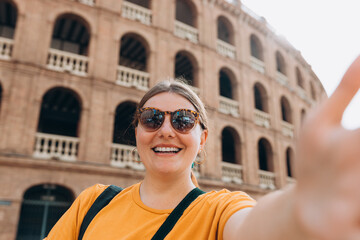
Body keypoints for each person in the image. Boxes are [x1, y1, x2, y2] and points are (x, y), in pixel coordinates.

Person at [45, 55, 360, 240]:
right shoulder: (91, 203)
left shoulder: (219, 210)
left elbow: (251, 228)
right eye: (152, 118)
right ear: (137, 130)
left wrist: (298, 211)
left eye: (183, 120)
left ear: (202, 138)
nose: (166, 130)